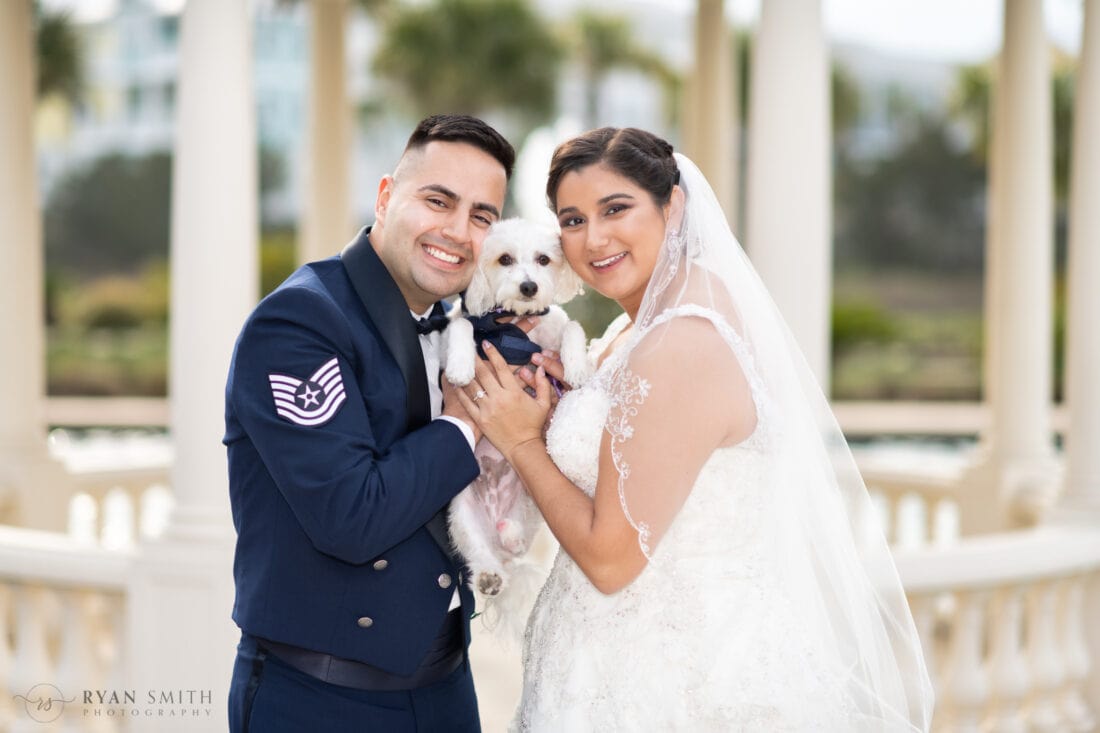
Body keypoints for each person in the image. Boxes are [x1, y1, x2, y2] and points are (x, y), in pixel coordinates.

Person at [455, 127, 935, 730]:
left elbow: (610, 560)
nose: (594, 238)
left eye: (616, 209)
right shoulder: (633, 333)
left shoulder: (682, 343)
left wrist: (522, 441)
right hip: (601, 664)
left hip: (673, 684)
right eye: (572, 220)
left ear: (673, 205)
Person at [224, 114, 515, 732]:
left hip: (446, 687)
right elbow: (351, 517)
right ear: (386, 197)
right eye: (438, 201)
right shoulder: (300, 324)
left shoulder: (468, 328)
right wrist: (465, 425)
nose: (459, 231)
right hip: (319, 698)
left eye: (482, 215)